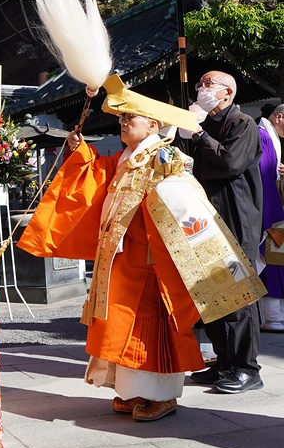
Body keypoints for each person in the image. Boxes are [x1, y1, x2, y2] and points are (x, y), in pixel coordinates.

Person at [18, 74, 264, 421]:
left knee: (152, 326)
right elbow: (97, 175)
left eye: (129, 117)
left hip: (151, 258)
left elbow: (183, 202)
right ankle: (131, 390)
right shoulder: (126, 158)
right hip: (122, 257)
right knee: (120, 324)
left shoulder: (163, 156)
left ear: (152, 124)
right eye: (121, 118)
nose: (123, 123)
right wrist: (80, 151)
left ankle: (161, 395)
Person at [187, 70, 264, 393]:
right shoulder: (203, 123)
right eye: (200, 84)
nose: (201, 88)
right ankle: (224, 360)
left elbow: (230, 162)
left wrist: (198, 134)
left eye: (209, 84)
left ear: (228, 93)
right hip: (205, 218)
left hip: (236, 217)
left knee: (237, 293)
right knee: (211, 292)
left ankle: (247, 367)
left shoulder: (242, 123)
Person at [257, 104, 284, 331]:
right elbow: (264, 177)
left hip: (272, 206)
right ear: (279, 117)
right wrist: (269, 214)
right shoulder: (263, 136)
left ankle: (275, 315)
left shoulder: (268, 136)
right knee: (271, 260)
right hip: (268, 209)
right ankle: (272, 316)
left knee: (275, 260)